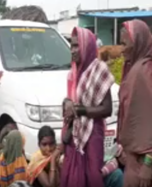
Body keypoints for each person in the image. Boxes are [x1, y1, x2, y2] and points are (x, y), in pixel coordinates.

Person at [60, 27, 114, 187]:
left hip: (93, 133)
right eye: (72, 46)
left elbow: (107, 109)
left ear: (87, 46)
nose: (73, 50)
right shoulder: (73, 73)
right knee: (73, 175)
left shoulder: (99, 69)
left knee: (92, 177)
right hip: (75, 133)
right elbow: (70, 101)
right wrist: (67, 103)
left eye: (77, 46)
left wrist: (80, 110)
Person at [117, 19, 152, 187]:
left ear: (138, 42)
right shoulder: (133, 67)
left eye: (125, 44)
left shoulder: (145, 72)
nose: (122, 49)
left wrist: (148, 163)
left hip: (143, 163)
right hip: (133, 158)